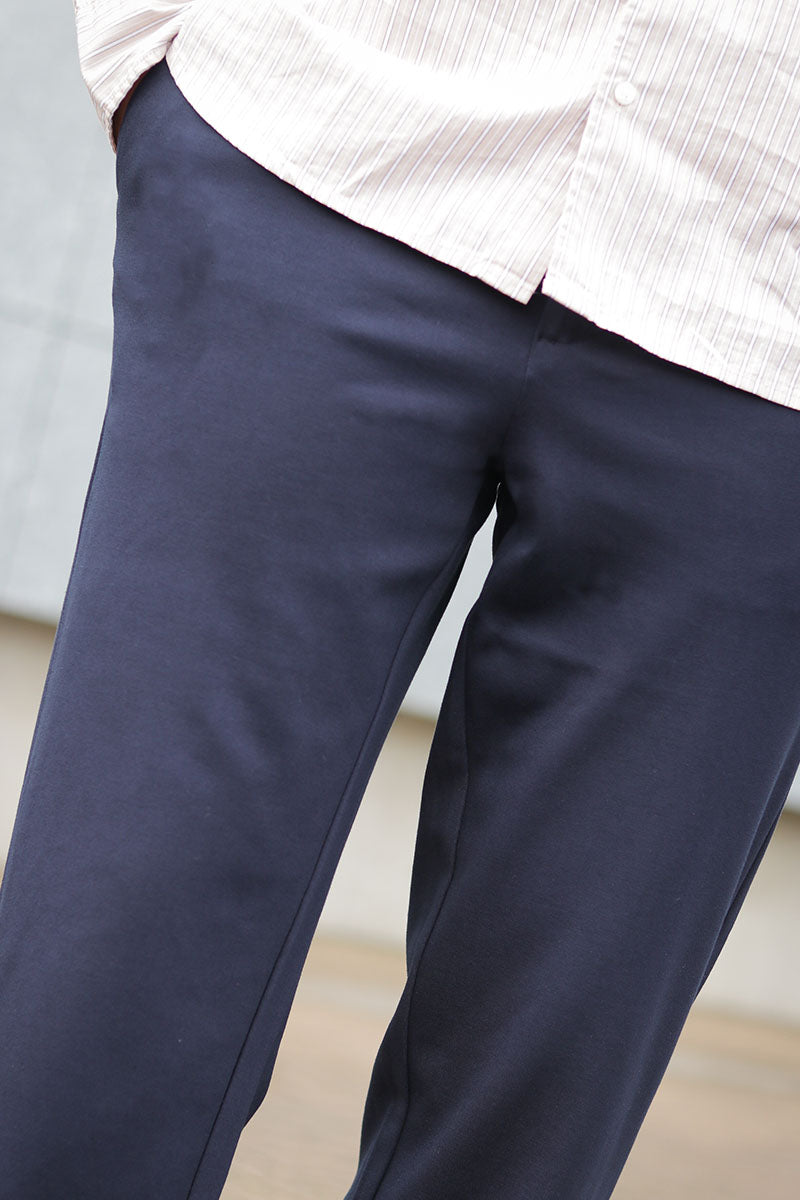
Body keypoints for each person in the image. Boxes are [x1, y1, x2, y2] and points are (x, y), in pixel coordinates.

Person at [2, 3, 800, 1197]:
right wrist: (158, 56)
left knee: (528, 1117)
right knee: (90, 1006)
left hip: (762, 329)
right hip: (321, 151)